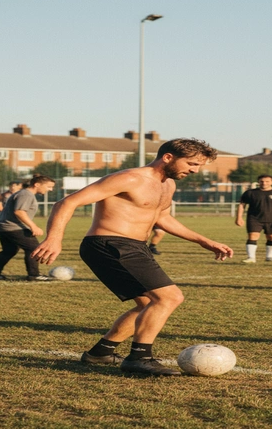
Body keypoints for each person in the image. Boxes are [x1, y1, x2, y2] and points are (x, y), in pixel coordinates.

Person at [31, 138, 233, 376]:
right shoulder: (129, 178)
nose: (195, 170)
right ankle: (139, 358)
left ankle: (100, 353)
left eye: (198, 166)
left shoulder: (168, 185)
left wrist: (204, 241)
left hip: (135, 246)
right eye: (191, 164)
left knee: (148, 304)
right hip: (110, 244)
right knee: (169, 298)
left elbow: (162, 218)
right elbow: (67, 202)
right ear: (168, 157)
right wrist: (54, 239)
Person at [0, 175, 56, 281]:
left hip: (3, 226)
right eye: (49, 186)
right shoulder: (26, 194)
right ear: (37, 185)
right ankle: (34, 275)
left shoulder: (24, 193)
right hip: (12, 227)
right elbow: (19, 211)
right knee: (33, 248)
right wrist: (33, 226)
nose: (51, 190)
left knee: (9, 250)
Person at [235, 174, 272, 263]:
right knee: (253, 236)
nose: (264, 183)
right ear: (258, 182)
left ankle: (270, 257)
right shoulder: (250, 193)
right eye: (262, 181)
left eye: (267, 181)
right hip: (254, 219)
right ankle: (251, 258)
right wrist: (239, 217)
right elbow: (242, 205)